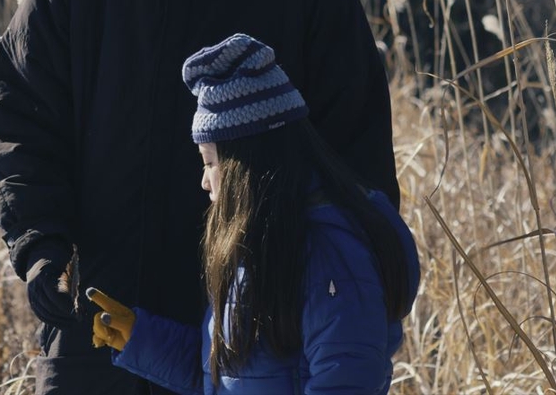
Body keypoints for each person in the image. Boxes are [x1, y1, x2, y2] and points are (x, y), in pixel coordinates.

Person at [0, 0, 399, 394]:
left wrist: (343, 279)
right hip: (101, 312)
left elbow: (353, 146)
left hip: (253, 317)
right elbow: (19, 119)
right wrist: (39, 242)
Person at [87, 33, 419, 395]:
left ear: (244, 166)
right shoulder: (261, 247)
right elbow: (227, 378)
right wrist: (141, 339)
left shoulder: (332, 256)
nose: (204, 181)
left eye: (210, 162)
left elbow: (348, 382)